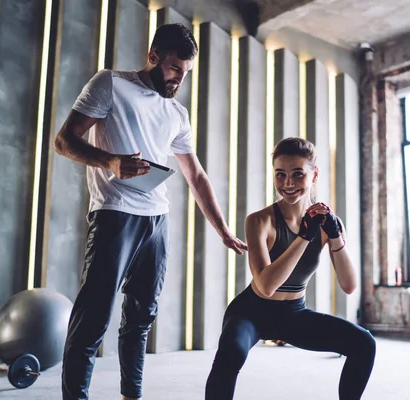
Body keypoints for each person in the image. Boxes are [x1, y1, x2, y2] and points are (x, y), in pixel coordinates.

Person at [54, 23, 247, 400]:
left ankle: (132, 395)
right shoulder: (110, 83)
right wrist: (110, 162)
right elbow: (65, 141)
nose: (179, 79)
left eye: (186, 73)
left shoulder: (177, 113)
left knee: (141, 318)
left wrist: (222, 229)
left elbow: (196, 174)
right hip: (114, 213)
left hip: (158, 218)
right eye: (175, 69)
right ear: (153, 57)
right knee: (93, 318)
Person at [205, 137, 376, 399]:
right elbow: (265, 286)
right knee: (231, 352)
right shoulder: (259, 221)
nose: (288, 184)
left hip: (293, 314)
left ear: (314, 174)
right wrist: (304, 237)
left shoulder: (329, 223)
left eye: (298, 174)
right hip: (251, 311)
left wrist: (336, 237)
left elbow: (349, 285)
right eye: (280, 175)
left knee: (364, 343)